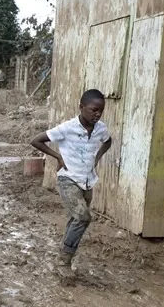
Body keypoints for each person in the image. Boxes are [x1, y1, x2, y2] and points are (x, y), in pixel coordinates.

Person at [30, 89, 113, 276]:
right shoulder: (67, 128)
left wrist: (98, 157)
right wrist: (57, 156)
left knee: (76, 220)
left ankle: (64, 256)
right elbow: (36, 141)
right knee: (83, 217)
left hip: (87, 180)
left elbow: (108, 142)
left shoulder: (100, 128)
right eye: (93, 110)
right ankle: (64, 261)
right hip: (68, 178)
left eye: (101, 110)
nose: (97, 114)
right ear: (81, 107)